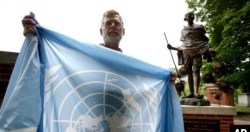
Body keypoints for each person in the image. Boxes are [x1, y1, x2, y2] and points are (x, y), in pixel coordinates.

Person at [22, 9, 177, 82]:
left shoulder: (134, 68)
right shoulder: (82, 59)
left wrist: (166, 79)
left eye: (117, 23)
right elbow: (53, 66)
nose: (113, 26)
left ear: (123, 30)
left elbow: (148, 89)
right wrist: (38, 40)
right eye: (108, 23)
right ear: (101, 30)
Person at [167, 11, 211, 98]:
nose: (190, 16)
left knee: (196, 70)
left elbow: (204, 40)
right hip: (186, 52)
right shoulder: (184, 30)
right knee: (189, 71)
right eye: (188, 15)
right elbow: (184, 45)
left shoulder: (199, 27)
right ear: (185, 18)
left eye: (192, 15)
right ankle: (191, 92)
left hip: (197, 50)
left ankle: (196, 92)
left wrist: (208, 49)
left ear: (194, 17)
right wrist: (172, 48)